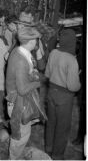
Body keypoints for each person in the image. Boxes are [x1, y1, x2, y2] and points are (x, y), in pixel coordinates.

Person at [6, 26, 45, 159]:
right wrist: (40, 82)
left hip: (18, 101)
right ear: (31, 41)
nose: (37, 42)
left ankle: (16, 155)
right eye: (36, 39)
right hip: (19, 104)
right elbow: (22, 89)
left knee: (21, 134)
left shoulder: (18, 51)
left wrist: (32, 74)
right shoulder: (21, 60)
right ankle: (14, 158)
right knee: (21, 136)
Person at [45, 29, 81, 160]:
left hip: (51, 93)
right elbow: (73, 86)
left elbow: (47, 74)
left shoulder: (53, 52)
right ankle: (57, 155)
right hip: (65, 97)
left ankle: (48, 149)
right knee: (62, 127)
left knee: (51, 123)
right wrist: (79, 84)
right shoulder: (72, 60)